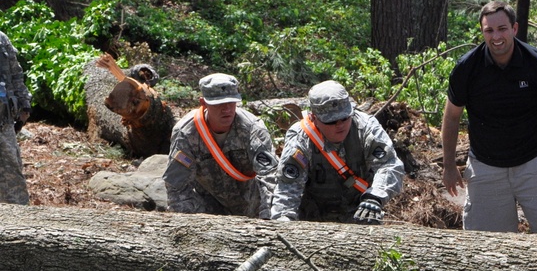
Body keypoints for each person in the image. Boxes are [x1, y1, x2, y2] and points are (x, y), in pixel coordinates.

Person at [442, 0, 537, 233]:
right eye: (489, 30)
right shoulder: (467, 68)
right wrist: (448, 165)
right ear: (482, 32)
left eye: (502, 29)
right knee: (486, 248)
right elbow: (451, 117)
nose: (496, 36)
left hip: (534, 163)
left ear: (514, 29)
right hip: (486, 166)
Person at [271, 81, 404, 223]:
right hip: (312, 221)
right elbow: (287, 189)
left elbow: (389, 165)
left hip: (360, 213)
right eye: (331, 121)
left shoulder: (366, 127)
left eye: (344, 118)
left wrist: (375, 196)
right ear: (313, 118)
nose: (339, 125)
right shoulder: (301, 138)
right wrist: (283, 222)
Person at [163, 73, 278, 217]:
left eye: (231, 102)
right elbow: (177, 186)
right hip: (208, 207)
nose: (227, 109)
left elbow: (270, 177)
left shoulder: (253, 129)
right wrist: (188, 224)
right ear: (203, 103)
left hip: (251, 204)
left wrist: (268, 220)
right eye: (218, 103)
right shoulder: (186, 133)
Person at [0, 31, 31, 205]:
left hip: (3, 122)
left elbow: (16, 74)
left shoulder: (2, 39)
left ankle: (19, 225)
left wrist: (24, 104)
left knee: (12, 176)